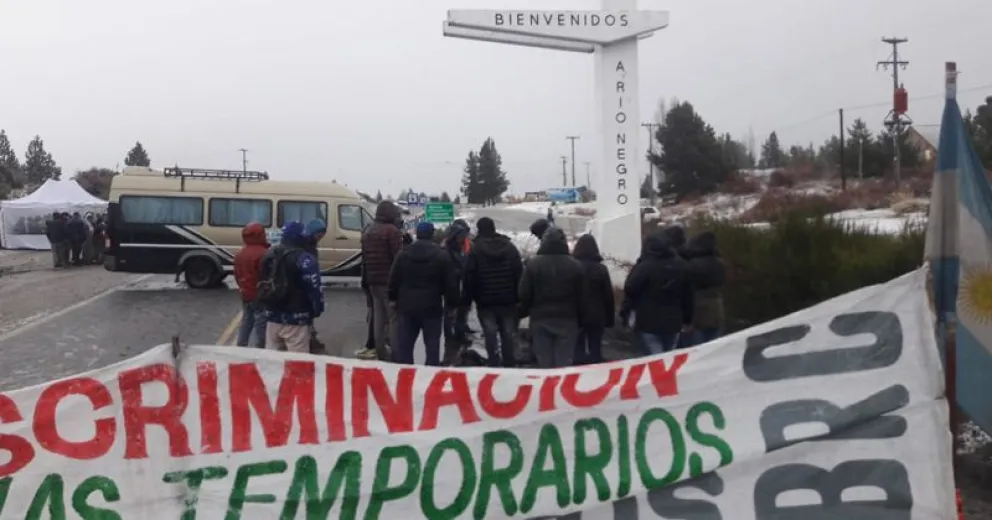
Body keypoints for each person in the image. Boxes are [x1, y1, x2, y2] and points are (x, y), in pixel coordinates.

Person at [388, 222, 458, 366]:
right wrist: (452, 305)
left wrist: (392, 298)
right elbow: (450, 284)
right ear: (432, 235)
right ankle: (430, 378)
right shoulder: (441, 255)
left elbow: (394, 278)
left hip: (407, 307)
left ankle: (406, 378)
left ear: (417, 234)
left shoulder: (403, 254)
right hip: (432, 308)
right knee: (432, 348)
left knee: (405, 347)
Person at [518, 227, 587, 368]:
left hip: (540, 319)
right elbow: (583, 296)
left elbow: (524, 294)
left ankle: (547, 389)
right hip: (568, 320)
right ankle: (562, 389)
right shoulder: (576, 266)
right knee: (564, 364)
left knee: (544, 364)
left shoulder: (533, 264)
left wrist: (524, 311)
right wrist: (581, 319)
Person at [620, 230, 694, 355]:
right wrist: (687, 319)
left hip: (647, 322)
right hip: (673, 321)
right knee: (669, 357)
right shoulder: (680, 265)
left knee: (653, 360)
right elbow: (688, 294)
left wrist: (625, 314)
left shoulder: (644, 266)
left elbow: (630, 289)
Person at [464, 216, 523, 367]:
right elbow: (519, 273)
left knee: (490, 335)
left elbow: (470, 276)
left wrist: (467, 300)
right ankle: (509, 363)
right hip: (508, 300)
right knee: (507, 334)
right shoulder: (510, 248)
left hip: (486, 302)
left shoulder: (475, 250)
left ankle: (494, 363)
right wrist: (519, 297)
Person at [259, 221, 324, 353]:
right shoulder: (304, 258)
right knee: (298, 364)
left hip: (272, 316)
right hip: (296, 318)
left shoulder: (269, 254)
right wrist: (317, 309)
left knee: (273, 363)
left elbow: (262, 280)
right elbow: (314, 288)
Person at [358, 201, 403, 361]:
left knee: (378, 318)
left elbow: (364, 259)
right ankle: (397, 356)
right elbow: (398, 259)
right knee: (393, 320)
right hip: (389, 281)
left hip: (372, 281)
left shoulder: (368, 231)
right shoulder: (392, 232)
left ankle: (380, 353)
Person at [572, 234, 615, 365]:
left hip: (577, 313)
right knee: (595, 349)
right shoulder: (601, 269)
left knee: (577, 348)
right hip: (597, 313)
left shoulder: (573, 266)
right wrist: (610, 319)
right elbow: (608, 295)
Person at [684, 231, 726, 346]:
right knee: (713, 347)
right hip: (716, 310)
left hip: (697, 311)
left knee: (696, 349)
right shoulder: (720, 263)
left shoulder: (690, 265)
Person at [233, 222, 270, 348]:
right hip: (259, 294)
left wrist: (242, 287)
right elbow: (268, 275)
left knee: (247, 321)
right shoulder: (264, 253)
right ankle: (260, 348)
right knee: (261, 322)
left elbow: (237, 274)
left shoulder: (240, 253)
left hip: (246, 293)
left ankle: (241, 346)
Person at [442, 219, 472, 357]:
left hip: (463, 284)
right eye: (461, 236)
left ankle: (460, 334)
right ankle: (450, 339)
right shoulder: (447, 249)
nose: (463, 238)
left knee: (462, 311)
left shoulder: (465, 246)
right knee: (450, 313)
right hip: (452, 285)